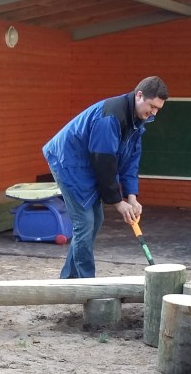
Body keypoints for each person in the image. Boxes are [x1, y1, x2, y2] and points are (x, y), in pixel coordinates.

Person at [43, 76, 168, 279]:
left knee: (96, 219)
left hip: (88, 162)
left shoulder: (138, 120)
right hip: (68, 162)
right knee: (84, 223)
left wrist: (131, 197)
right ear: (139, 95)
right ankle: (86, 284)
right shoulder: (110, 117)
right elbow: (104, 161)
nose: (154, 113)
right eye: (152, 106)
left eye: (158, 109)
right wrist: (118, 202)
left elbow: (130, 160)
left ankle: (68, 279)